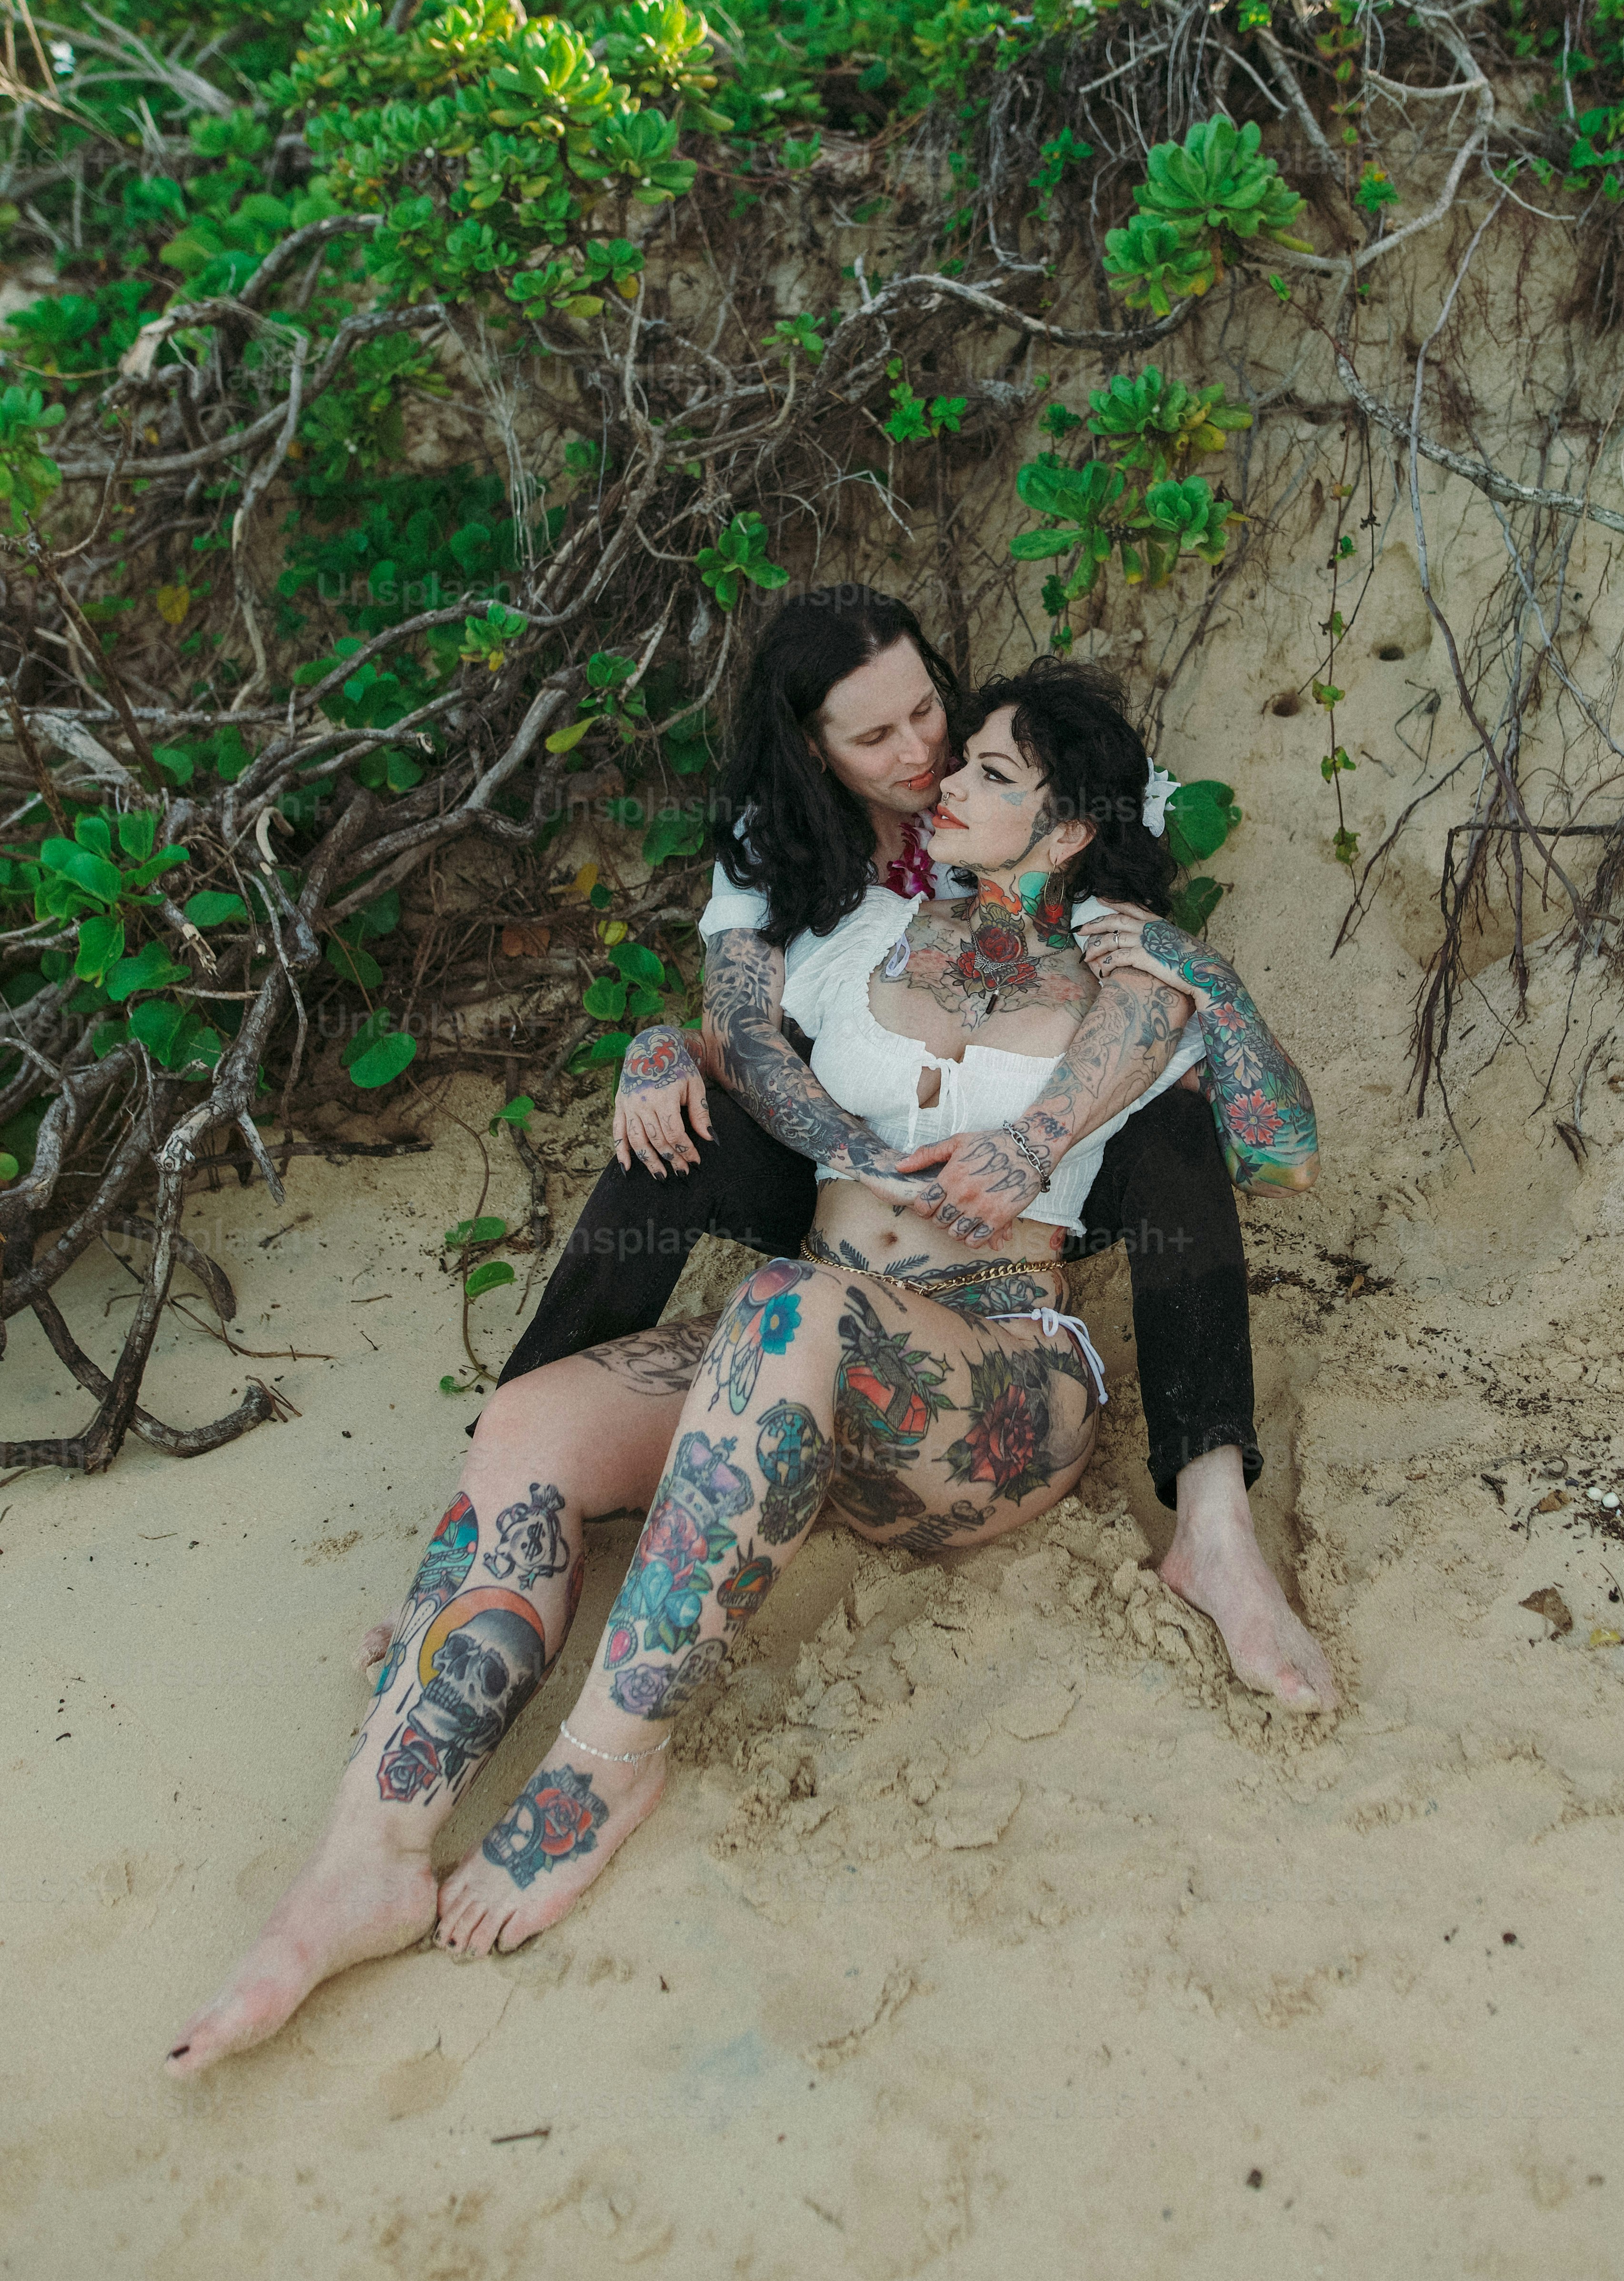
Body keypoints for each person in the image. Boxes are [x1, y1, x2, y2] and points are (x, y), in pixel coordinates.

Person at [166, 664, 1331, 2073]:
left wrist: (1209, 977)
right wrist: (660, 1048)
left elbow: (1279, 1154)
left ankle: (602, 1772)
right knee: (535, 1422)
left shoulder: (1130, 988)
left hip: (990, 1381)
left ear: (1072, 827)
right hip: (788, 1368)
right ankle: (367, 1855)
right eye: (957, 760)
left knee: (788, 1308)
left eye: (992, 774)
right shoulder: (866, 934)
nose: (946, 783)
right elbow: (729, 1044)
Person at [497, 587, 1324, 1699]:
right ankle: (525, 1458)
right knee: (676, 1134)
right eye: (875, 737)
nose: (921, 755)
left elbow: (1253, 1126)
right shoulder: (784, 847)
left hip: (1022, 1192)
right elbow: (742, 1032)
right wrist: (802, 1121)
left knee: (1173, 1124)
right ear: (815, 751)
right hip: (849, 1153)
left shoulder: (1016, 808)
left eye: (928, 712)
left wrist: (1046, 1131)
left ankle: (1214, 1524)